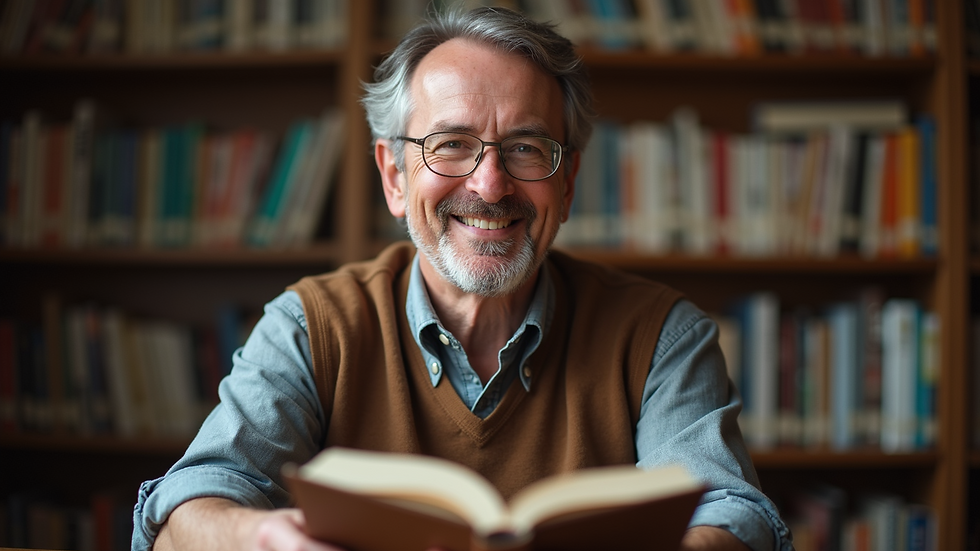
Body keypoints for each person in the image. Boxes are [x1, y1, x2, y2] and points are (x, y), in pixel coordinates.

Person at [133, 7, 793, 551]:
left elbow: (733, 509)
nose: (489, 183)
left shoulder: (659, 334)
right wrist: (261, 535)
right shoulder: (313, 324)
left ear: (566, 182)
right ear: (394, 177)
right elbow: (187, 508)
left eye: (527, 148)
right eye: (450, 144)